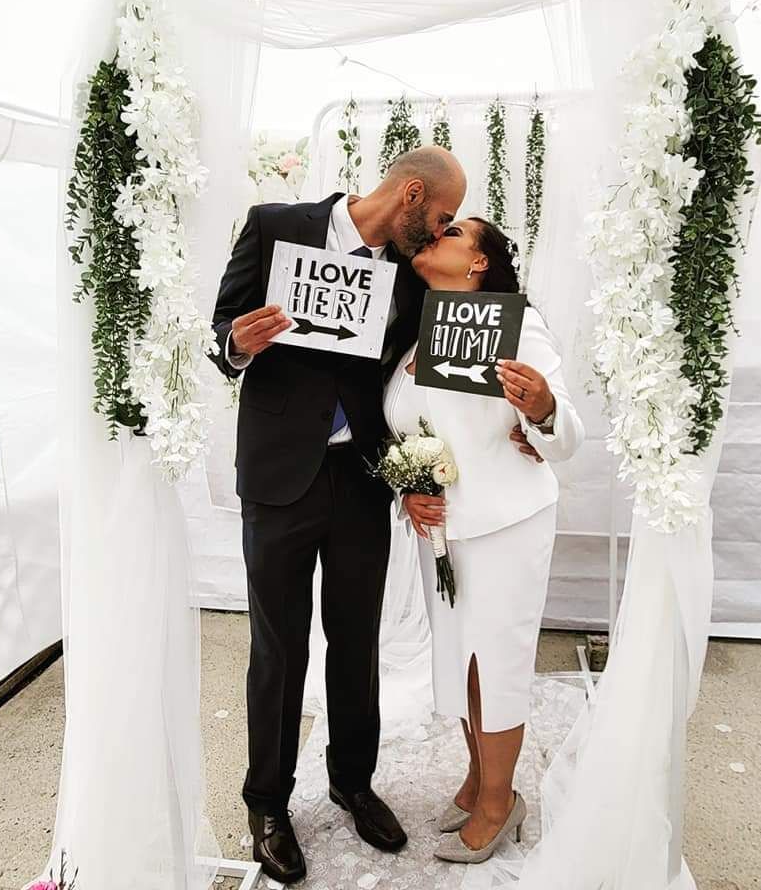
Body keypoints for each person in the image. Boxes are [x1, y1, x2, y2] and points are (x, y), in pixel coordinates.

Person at [209, 146, 467, 884]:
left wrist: (516, 416)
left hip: (360, 480)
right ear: (410, 194)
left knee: (356, 641)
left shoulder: (408, 273)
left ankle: (352, 782)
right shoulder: (273, 225)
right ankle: (267, 803)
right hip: (277, 477)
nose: (441, 231)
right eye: (442, 215)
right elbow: (221, 332)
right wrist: (237, 344)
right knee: (278, 647)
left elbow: (418, 377)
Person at [382, 217, 585, 864]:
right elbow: (406, 429)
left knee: (494, 663)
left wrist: (543, 407)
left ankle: (500, 801)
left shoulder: (519, 328)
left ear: (477, 263)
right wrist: (407, 488)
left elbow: (566, 435)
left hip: (506, 524)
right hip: (442, 532)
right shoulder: (418, 331)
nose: (433, 235)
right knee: (458, 659)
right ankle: (477, 777)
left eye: (452, 233)